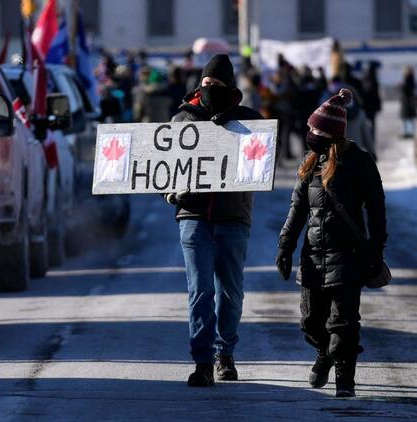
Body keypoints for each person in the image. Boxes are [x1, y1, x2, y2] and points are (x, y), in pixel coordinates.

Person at [276, 88, 387, 398]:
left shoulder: (360, 163)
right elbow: (297, 209)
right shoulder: (310, 164)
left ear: (330, 134)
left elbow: (377, 210)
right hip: (313, 257)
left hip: (348, 257)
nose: (310, 133)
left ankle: (344, 380)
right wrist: (285, 247)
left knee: (344, 324)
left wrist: (376, 250)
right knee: (311, 322)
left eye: (315, 129)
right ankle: (324, 353)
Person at [164, 54, 263, 387]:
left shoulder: (249, 122)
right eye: (207, 84)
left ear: (230, 87)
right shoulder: (182, 121)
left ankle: (225, 354)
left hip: (234, 218)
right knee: (200, 291)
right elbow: (164, 167)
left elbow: (260, 167)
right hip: (193, 218)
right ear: (199, 85)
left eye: (218, 85)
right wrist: (171, 192)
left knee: (230, 294)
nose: (211, 89)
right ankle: (203, 362)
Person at [400, 66, 416, 138]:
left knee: (407, 118)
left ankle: (408, 133)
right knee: (408, 118)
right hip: (408, 102)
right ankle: (408, 132)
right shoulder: (411, 78)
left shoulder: (408, 78)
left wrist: (401, 87)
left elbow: (407, 90)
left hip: (407, 102)